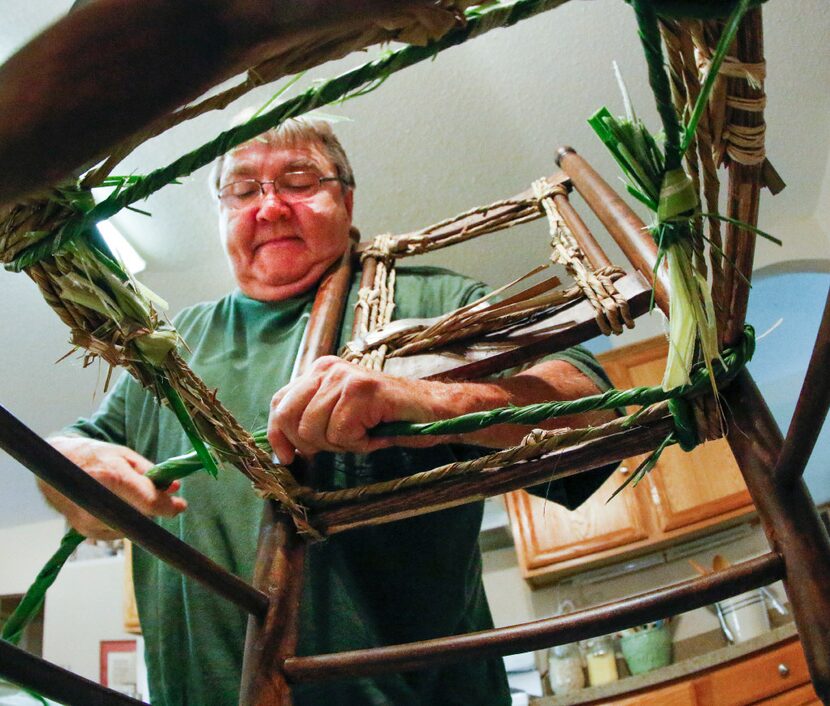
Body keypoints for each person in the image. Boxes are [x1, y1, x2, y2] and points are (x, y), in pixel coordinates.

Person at [42, 118, 616, 706]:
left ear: (345, 197)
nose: (269, 209)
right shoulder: (173, 345)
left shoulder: (431, 301)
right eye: (243, 190)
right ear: (220, 215)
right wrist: (77, 474)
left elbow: (590, 406)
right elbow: (70, 455)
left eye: (298, 180)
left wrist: (423, 396)